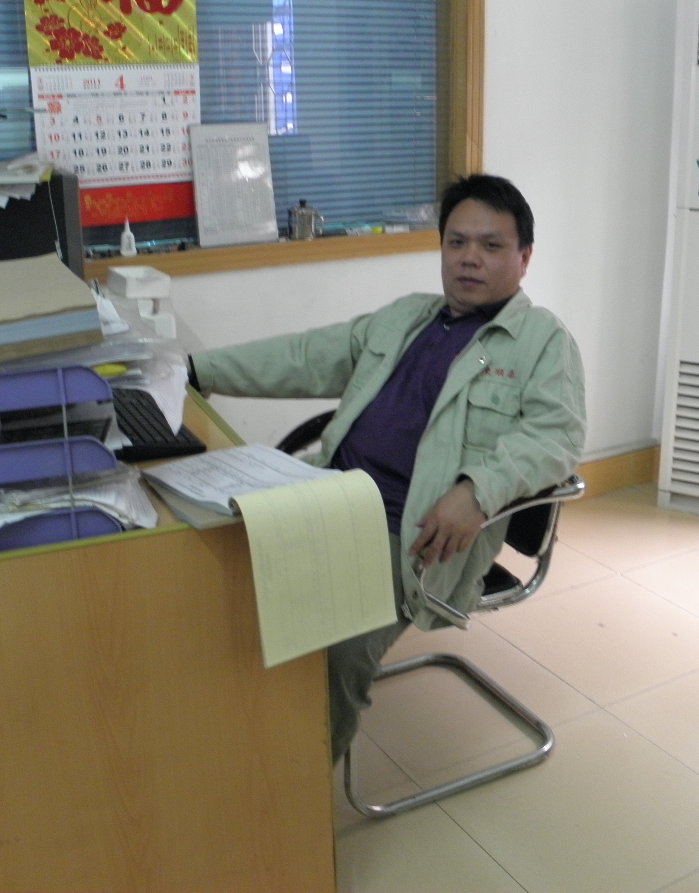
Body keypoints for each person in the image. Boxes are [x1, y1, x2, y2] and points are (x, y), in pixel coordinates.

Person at [188, 174, 587, 761]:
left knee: (333, 646)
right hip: (329, 493)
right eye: (456, 242)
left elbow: (557, 436)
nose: (469, 258)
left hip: (414, 536)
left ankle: (300, 788)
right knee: (208, 566)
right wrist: (198, 370)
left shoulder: (541, 341)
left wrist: (478, 491)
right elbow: (305, 357)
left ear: (524, 258)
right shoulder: (407, 318)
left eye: (491, 245)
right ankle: (240, 740)